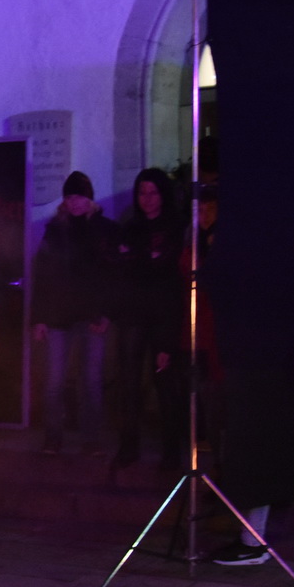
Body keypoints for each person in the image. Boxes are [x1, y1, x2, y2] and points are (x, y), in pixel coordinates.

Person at [107, 168, 188, 471]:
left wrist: (139, 259)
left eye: (153, 192)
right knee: (128, 381)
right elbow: (122, 265)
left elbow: (168, 271)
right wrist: (144, 259)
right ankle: (129, 445)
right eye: (142, 192)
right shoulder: (131, 227)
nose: (147, 199)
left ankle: (171, 452)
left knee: (165, 382)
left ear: (163, 194)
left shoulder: (175, 227)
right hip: (132, 315)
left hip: (163, 315)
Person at [31, 171, 118, 454]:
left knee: (91, 380)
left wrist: (106, 313)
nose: (74, 202)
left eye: (79, 196)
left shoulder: (104, 229)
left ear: (89, 198)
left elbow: (112, 276)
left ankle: (91, 439)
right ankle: (53, 437)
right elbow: (42, 274)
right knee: (54, 380)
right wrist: (39, 318)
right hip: (59, 315)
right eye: (69, 197)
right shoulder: (56, 229)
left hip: (92, 315)